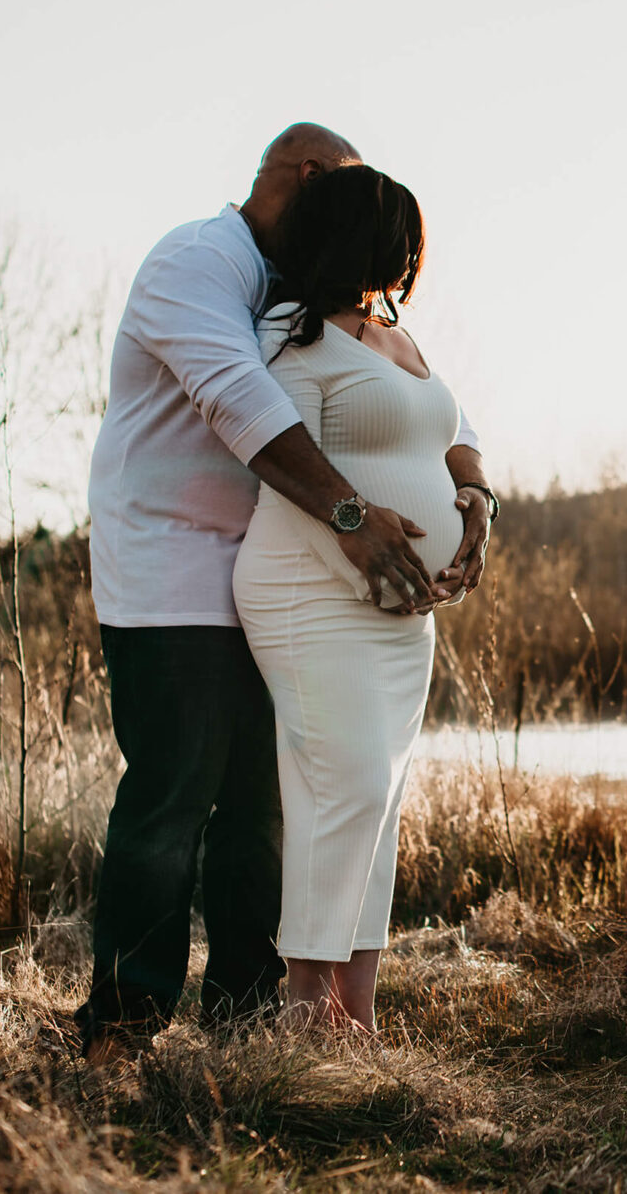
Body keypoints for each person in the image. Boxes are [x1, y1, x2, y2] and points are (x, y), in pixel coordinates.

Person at [76, 124, 496, 1060]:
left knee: (267, 814)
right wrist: (354, 518)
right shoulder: (201, 264)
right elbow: (238, 397)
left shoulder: (307, 288)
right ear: (309, 180)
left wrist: (473, 492)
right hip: (177, 574)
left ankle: (245, 1019)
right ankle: (125, 1028)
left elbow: (442, 405)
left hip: (286, 570)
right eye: (348, 192)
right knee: (172, 805)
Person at [233, 163, 485, 1029]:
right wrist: (372, 572)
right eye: (401, 233)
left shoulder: (395, 334)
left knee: (378, 797)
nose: (414, 252)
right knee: (342, 792)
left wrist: (476, 507)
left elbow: (451, 439)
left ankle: (357, 1016)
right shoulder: (292, 333)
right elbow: (280, 465)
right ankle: (305, 1015)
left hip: (397, 611)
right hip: (311, 590)